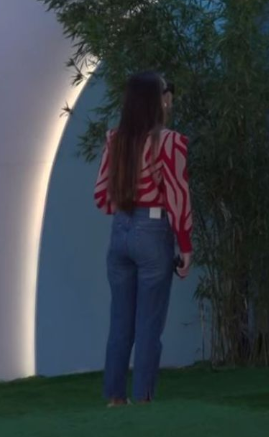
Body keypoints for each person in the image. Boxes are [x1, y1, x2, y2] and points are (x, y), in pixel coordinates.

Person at [94, 71, 193, 406]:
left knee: (120, 323)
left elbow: (102, 194)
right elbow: (178, 196)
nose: (170, 96)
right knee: (149, 325)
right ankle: (143, 400)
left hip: (120, 229)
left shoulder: (115, 139)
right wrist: (185, 245)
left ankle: (114, 398)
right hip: (153, 230)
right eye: (167, 91)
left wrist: (125, 211)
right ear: (158, 99)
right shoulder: (170, 141)